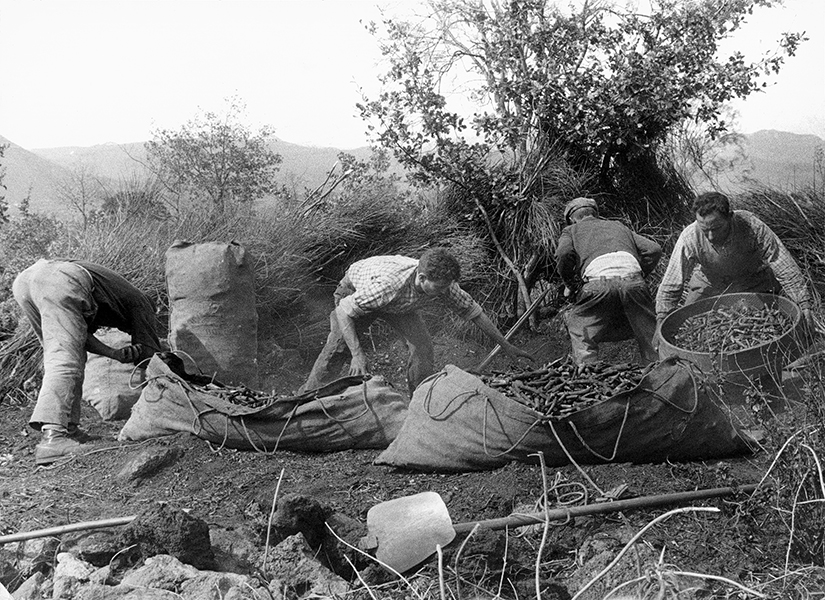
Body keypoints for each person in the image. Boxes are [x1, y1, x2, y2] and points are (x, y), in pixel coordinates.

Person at [298, 248, 534, 395]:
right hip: (357, 291)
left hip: (400, 303)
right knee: (339, 347)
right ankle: (304, 400)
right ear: (422, 278)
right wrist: (358, 354)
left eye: (446, 286)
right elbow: (343, 311)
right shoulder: (387, 286)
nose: (444, 291)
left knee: (422, 346)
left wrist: (506, 344)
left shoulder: (442, 285)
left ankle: (419, 401)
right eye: (440, 287)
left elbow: (474, 313)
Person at [13, 259, 161, 465]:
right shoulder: (142, 304)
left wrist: (113, 353)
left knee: (68, 355)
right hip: (62, 279)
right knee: (63, 361)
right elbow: (151, 358)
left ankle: (69, 429)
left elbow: (80, 338)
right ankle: (53, 438)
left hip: (27, 281)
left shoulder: (114, 294)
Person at [655, 191, 814, 329]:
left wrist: (804, 303)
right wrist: (662, 317)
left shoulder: (752, 226)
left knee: (773, 319)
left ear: (730, 217)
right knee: (690, 323)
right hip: (710, 284)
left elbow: (782, 264)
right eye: (705, 230)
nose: (710, 237)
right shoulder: (689, 236)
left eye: (716, 229)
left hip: (752, 280)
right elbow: (672, 281)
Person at [555, 197, 662, 365]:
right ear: (596, 214)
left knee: (579, 328)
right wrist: (638, 274)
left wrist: (572, 285)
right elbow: (654, 249)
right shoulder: (618, 226)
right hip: (634, 281)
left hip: (598, 284)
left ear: (571, 218)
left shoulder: (571, 230)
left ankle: (589, 376)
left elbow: (563, 254)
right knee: (650, 335)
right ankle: (662, 375)